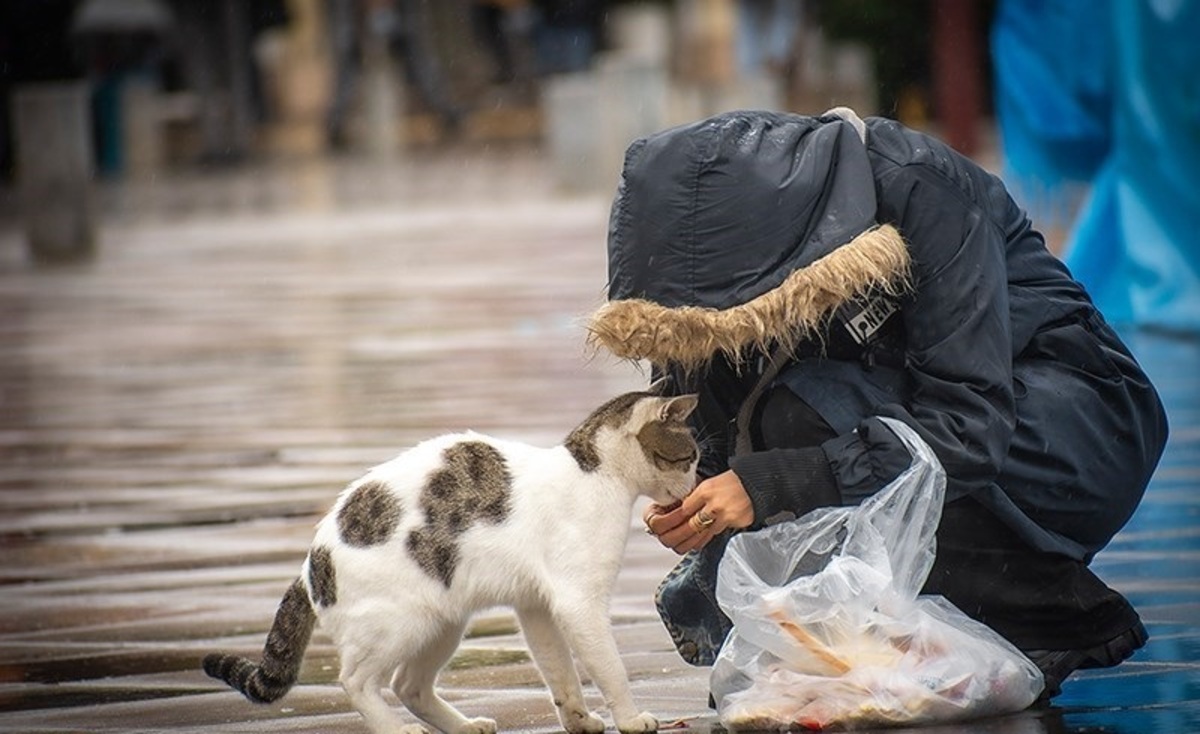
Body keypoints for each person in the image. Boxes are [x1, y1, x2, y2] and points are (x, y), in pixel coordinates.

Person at [586, 108, 1169, 701]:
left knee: (797, 421)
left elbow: (968, 427)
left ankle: (1037, 618)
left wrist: (767, 484)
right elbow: (702, 395)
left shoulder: (919, 187)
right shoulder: (715, 260)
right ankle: (881, 637)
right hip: (910, 406)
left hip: (1075, 428)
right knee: (770, 421)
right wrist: (698, 492)